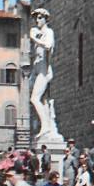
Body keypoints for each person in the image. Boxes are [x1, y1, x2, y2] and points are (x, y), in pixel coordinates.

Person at [29, 8, 56, 139]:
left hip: (44, 70)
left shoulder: (48, 32)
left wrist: (35, 39)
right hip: (36, 69)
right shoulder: (37, 32)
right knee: (43, 101)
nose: (37, 20)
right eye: (35, 18)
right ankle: (47, 126)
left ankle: (45, 127)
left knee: (34, 99)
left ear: (46, 19)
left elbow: (48, 45)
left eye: (40, 17)